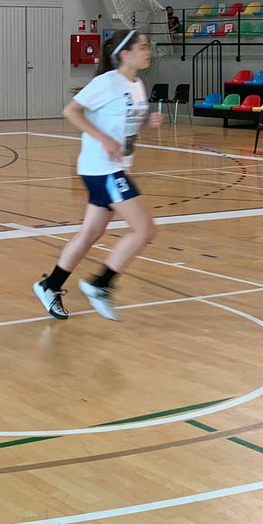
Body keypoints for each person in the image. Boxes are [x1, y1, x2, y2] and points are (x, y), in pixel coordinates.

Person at [32, 30, 163, 321]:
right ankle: (100, 285)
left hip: (114, 167)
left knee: (90, 233)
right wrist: (103, 139)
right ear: (124, 54)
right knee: (145, 230)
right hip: (103, 169)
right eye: (142, 47)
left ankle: (50, 285)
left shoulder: (137, 84)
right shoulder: (106, 83)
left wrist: (147, 121)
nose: (148, 51)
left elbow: (126, 123)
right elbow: (72, 111)